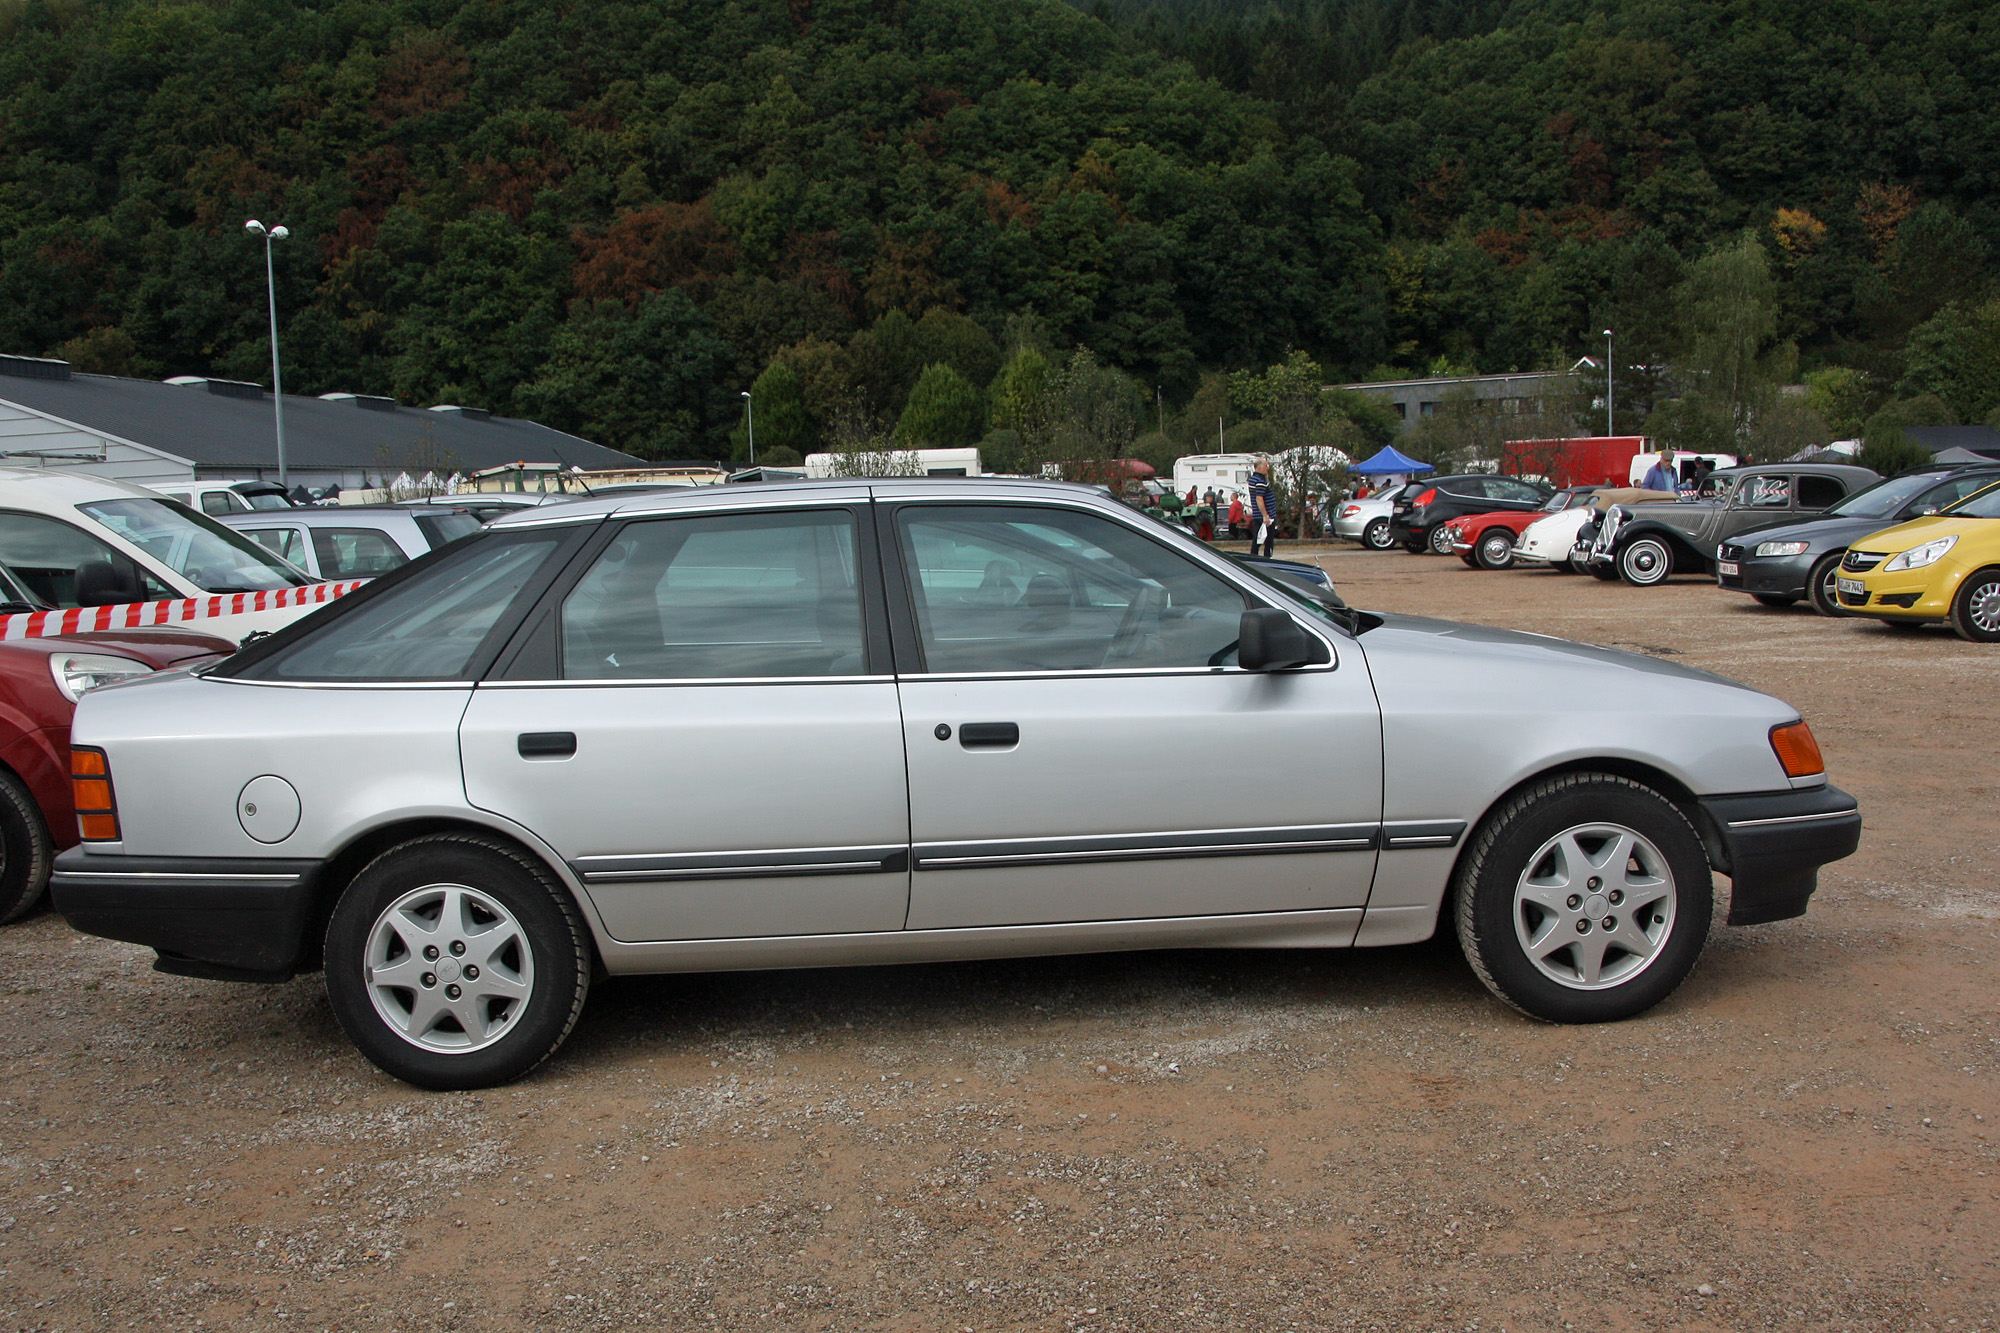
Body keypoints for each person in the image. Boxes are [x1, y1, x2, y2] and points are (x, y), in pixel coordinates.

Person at [1247, 456, 1278, 558]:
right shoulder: (1259, 481)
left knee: (1257, 538)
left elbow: (1266, 487)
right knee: (1267, 540)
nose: (1267, 468)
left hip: (1257, 514)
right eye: (1265, 466)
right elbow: (1259, 498)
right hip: (1265, 515)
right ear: (1259, 467)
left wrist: (1266, 476)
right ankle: (1267, 558)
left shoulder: (1255, 479)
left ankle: (1253, 557)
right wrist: (1265, 515)